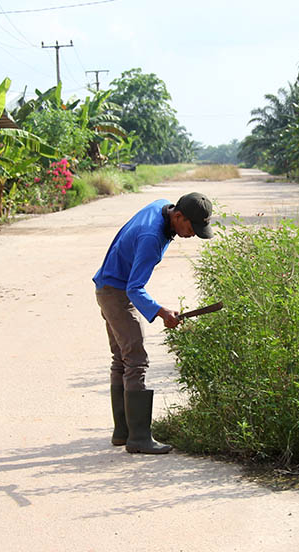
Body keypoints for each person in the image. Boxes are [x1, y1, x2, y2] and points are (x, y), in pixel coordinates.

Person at [93, 192, 214, 454]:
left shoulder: (162, 206)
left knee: (121, 359)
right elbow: (135, 289)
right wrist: (162, 312)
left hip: (106, 286)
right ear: (178, 216)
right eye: (192, 228)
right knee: (136, 360)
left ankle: (123, 432)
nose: (193, 234)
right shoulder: (151, 238)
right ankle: (138, 438)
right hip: (117, 293)